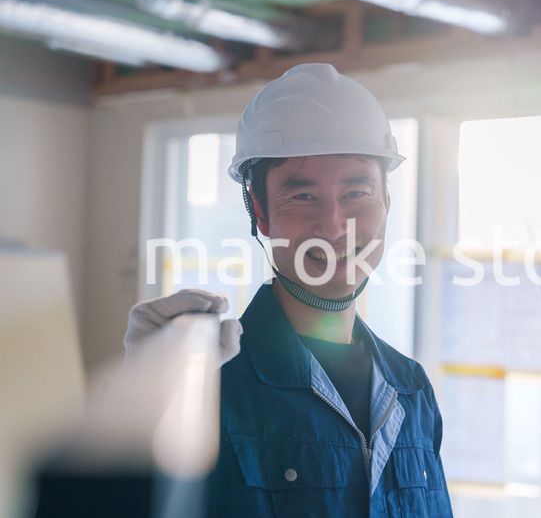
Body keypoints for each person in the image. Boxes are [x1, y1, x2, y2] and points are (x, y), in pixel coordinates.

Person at [123, 63, 453, 517]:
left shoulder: (412, 390)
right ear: (260, 212)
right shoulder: (208, 384)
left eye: (357, 193)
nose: (334, 227)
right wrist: (137, 414)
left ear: (387, 202)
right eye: (302, 196)